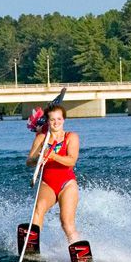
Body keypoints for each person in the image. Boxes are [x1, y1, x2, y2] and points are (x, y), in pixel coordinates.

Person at [26, 104, 84, 247]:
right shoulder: (41, 138)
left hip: (67, 184)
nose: (56, 122)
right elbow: (29, 162)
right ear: (48, 121)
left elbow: (72, 160)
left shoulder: (71, 137)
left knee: (66, 222)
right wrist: (38, 158)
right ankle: (32, 245)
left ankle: (77, 247)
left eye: (59, 119)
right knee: (38, 208)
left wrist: (52, 155)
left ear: (63, 120)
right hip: (47, 183)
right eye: (52, 119)